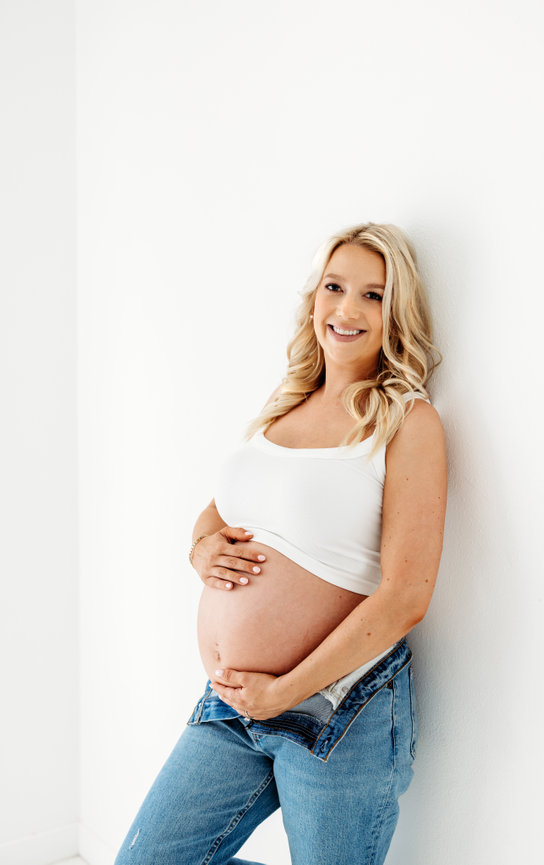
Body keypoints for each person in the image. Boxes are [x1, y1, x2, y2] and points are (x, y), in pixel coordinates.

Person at [114, 222, 447, 865]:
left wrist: (287, 688)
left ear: (397, 312)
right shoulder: (283, 403)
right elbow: (216, 514)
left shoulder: (408, 419)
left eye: (373, 296)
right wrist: (201, 549)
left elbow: (406, 595)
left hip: (338, 704)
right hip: (234, 702)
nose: (346, 309)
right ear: (314, 297)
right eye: (334, 286)